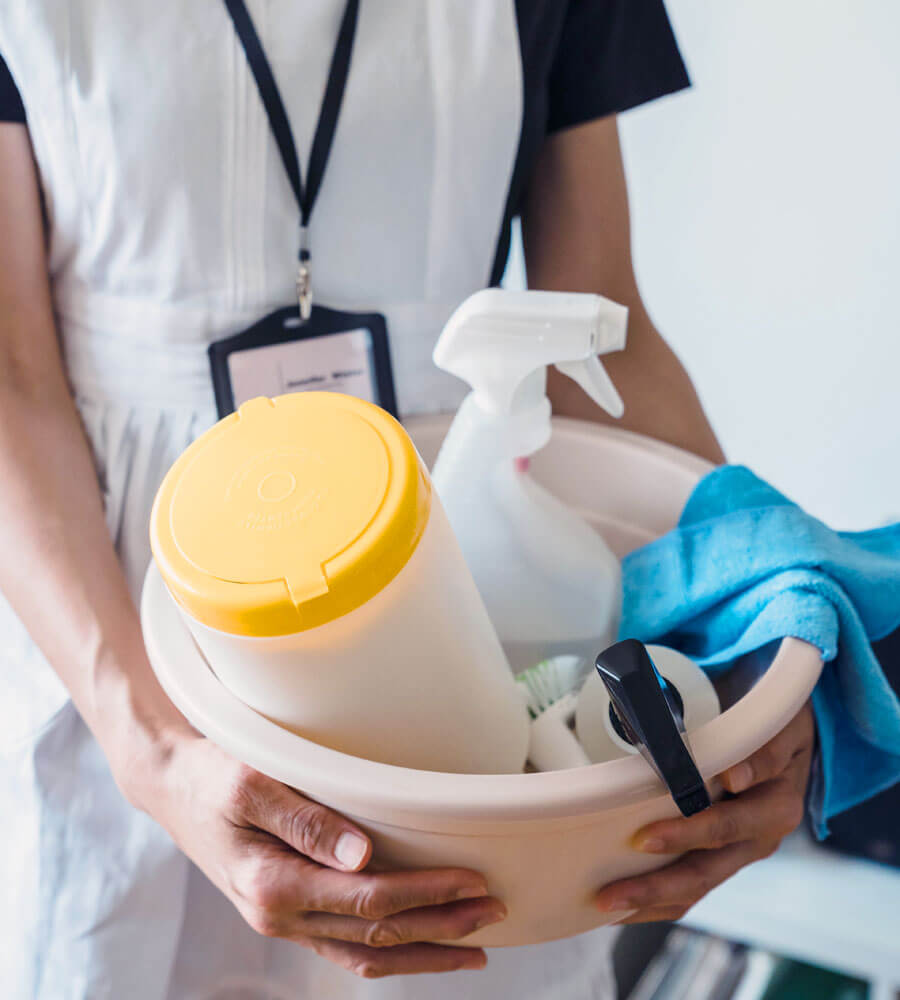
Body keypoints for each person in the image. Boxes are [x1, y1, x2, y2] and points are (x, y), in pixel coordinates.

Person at [0, 2, 814, 997]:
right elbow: (10, 374)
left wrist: (768, 625)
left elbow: (605, 322)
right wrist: (152, 752)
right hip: (122, 630)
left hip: (456, 583)